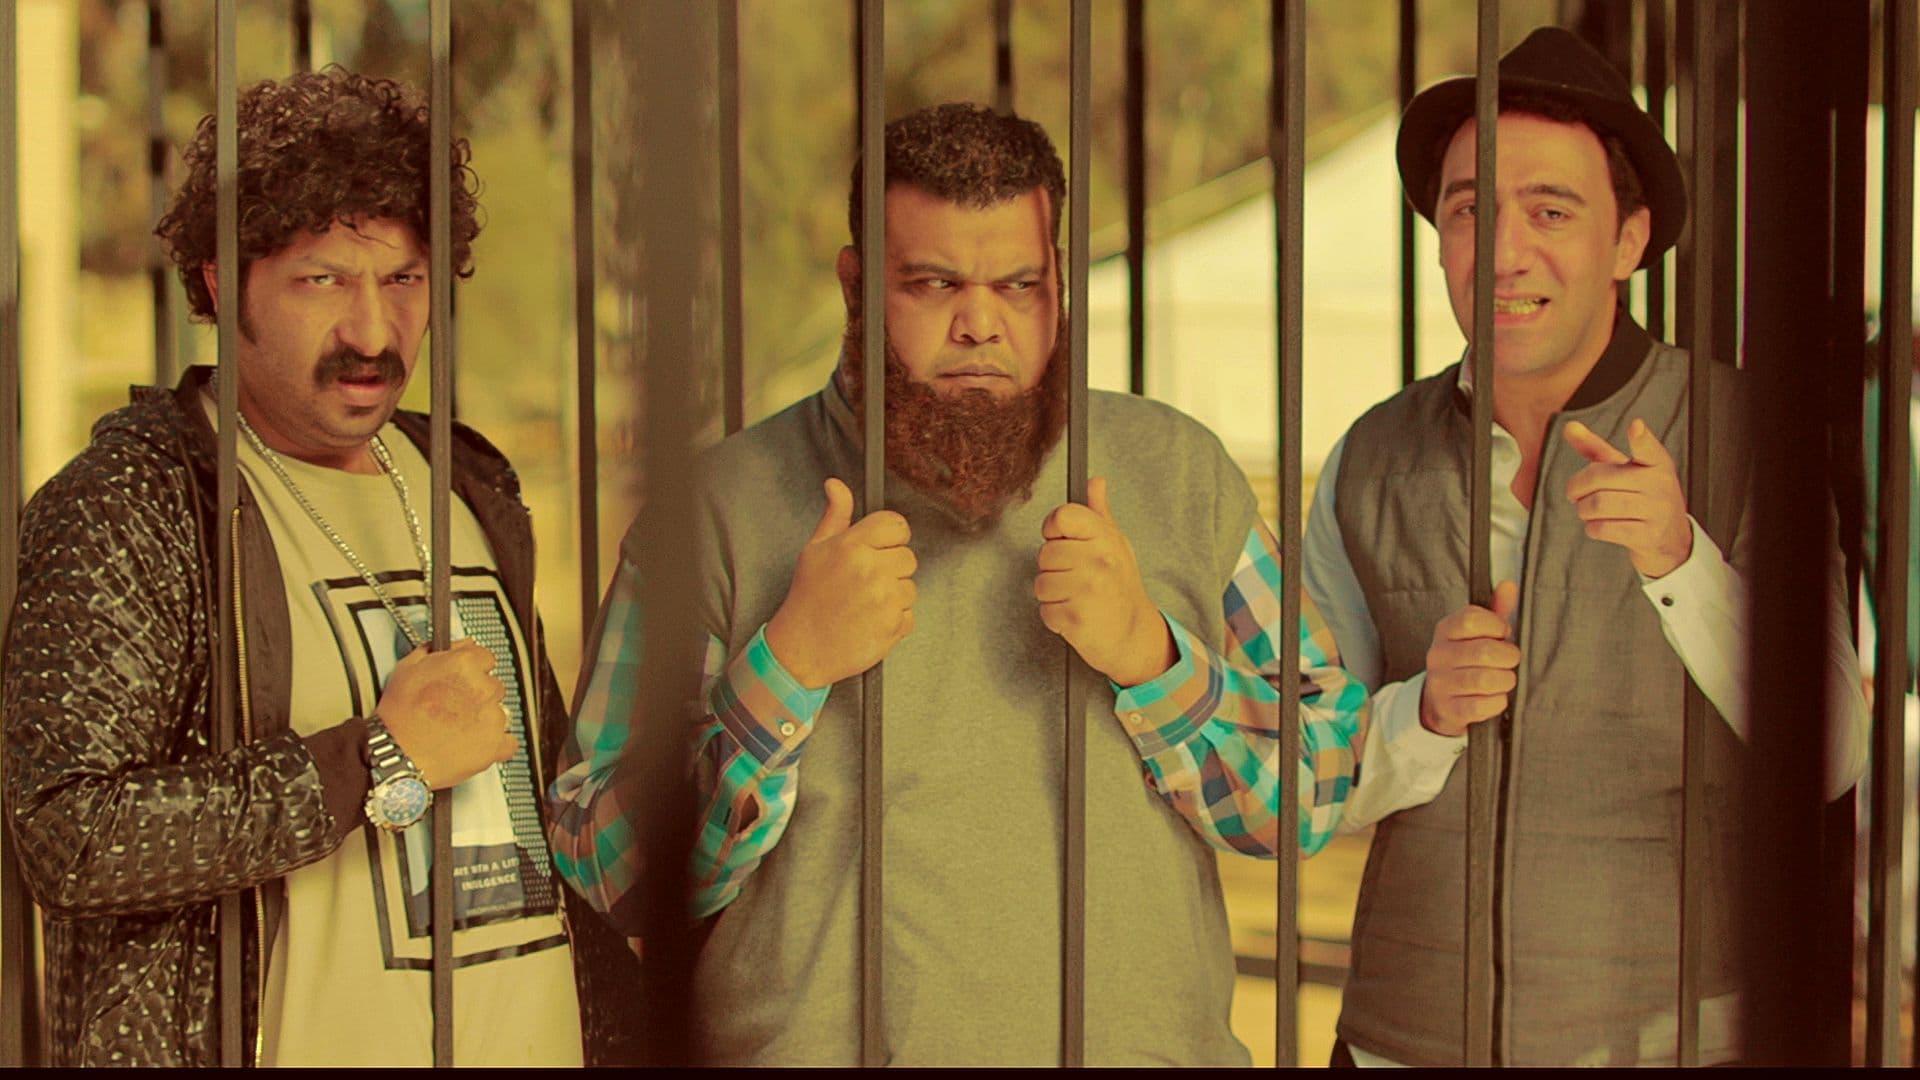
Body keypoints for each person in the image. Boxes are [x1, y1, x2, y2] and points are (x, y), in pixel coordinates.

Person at [547, 102, 1370, 1066]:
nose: (981, 325)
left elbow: (1317, 788)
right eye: (934, 284)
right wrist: (784, 668)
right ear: (856, 286)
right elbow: (605, 870)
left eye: (1019, 286)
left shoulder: (1180, 474)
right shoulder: (713, 513)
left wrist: (1152, 660)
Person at [1, 67, 635, 1066]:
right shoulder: (134, 503)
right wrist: (374, 760)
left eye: (403, 280)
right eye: (322, 281)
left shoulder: (469, 481)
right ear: (222, 284)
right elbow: (68, 835)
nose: (372, 333)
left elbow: (549, 821)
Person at [1302, 27, 1870, 1067]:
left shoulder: (1750, 437)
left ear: (1629, 242)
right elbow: (1299, 769)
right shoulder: (1367, 458)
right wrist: (1418, 715)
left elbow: (1831, 755)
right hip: (1400, 1044)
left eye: (1551, 210)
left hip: (1670, 1045)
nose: (1504, 251)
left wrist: (1679, 561)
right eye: (1470, 210)